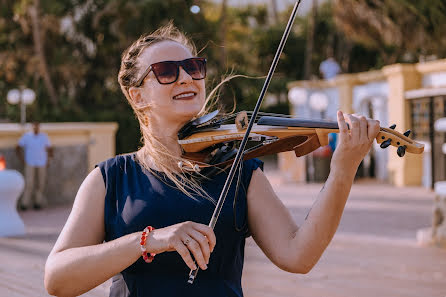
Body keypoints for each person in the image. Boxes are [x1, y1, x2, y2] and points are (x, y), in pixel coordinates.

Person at [44, 24, 380, 297]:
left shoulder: (239, 171)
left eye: (193, 68)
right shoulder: (112, 178)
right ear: (137, 95)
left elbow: (298, 256)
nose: (187, 78)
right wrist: (146, 240)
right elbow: (57, 279)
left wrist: (342, 170)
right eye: (165, 72)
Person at [16, 121, 53, 210]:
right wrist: (22, 159)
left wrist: (49, 160)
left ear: (39, 127)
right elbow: (18, 147)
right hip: (30, 163)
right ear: (32, 127)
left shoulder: (44, 137)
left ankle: (38, 203)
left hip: (42, 163)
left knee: (40, 183)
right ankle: (24, 204)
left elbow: (50, 149)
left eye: (37, 126)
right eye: (34, 126)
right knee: (29, 183)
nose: (35, 128)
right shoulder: (27, 136)